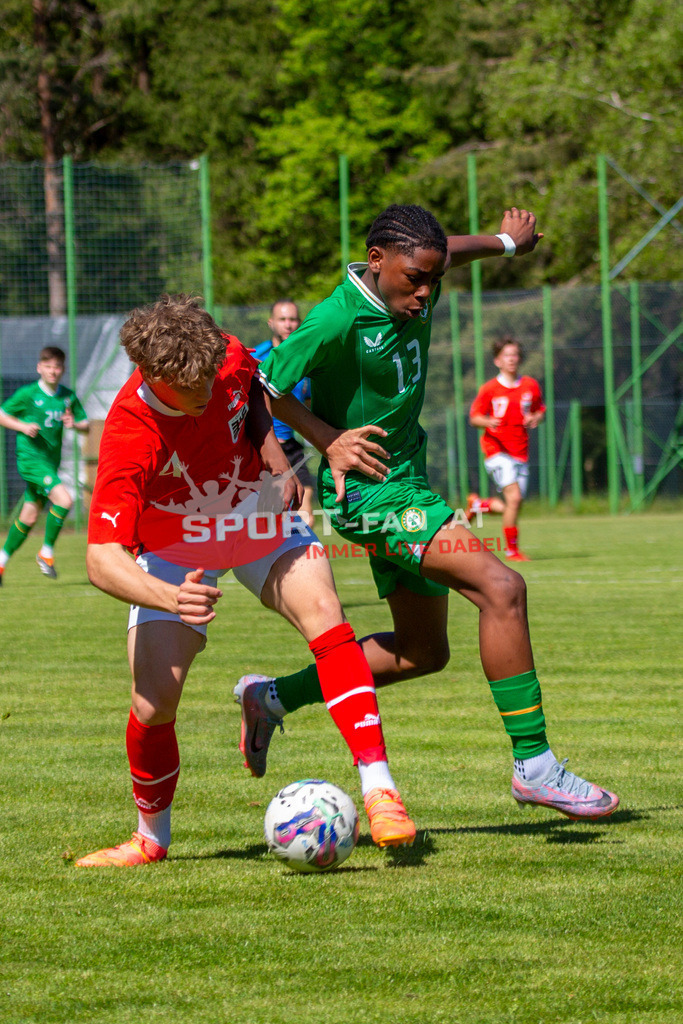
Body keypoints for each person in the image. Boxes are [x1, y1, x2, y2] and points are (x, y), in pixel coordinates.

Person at [239, 204, 619, 822]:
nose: (424, 293)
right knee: (503, 587)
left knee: (422, 652)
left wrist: (504, 243)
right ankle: (537, 768)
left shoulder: (415, 284)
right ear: (377, 260)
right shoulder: (337, 318)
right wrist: (324, 438)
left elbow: (444, 250)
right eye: (414, 278)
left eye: (434, 280)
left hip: (408, 483)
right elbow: (259, 385)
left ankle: (272, 698)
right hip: (373, 495)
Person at [74, 294, 415, 868]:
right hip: (175, 543)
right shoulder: (130, 431)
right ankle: (150, 839)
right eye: (197, 387)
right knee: (153, 704)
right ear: (158, 377)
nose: (212, 390)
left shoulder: (220, 354)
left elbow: (254, 392)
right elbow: (101, 558)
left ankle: (380, 789)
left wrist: (280, 461)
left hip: (253, 509)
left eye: (214, 376)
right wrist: (169, 595)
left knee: (326, 614)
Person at [0, 346, 89, 584]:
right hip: (31, 461)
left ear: (62, 369)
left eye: (57, 367)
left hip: (51, 463)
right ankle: (46, 552)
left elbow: (85, 424)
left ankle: (1, 561)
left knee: (29, 517)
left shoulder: (67, 396)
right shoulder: (28, 394)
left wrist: (74, 424)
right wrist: (21, 426)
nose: (53, 371)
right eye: (48, 367)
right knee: (65, 500)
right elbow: (2, 414)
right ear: (39, 368)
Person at [468, 336, 545, 561]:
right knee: (515, 499)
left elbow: (540, 408)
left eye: (515, 355)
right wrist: (487, 422)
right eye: (506, 356)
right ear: (497, 361)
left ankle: (480, 505)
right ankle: (512, 551)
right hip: (496, 451)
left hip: (520, 452)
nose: (512, 359)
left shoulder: (530, 385)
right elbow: (474, 418)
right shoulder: (490, 388)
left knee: (514, 503)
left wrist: (536, 417)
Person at [253, 300, 315, 524]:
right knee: (266, 516)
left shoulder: (306, 361)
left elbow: (309, 404)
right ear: (271, 323)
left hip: (292, 447)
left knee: (306, 515)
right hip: (263, 447)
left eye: (292, 319)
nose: (288, 325)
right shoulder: (257, 357)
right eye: (282, 319)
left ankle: (303, 557)